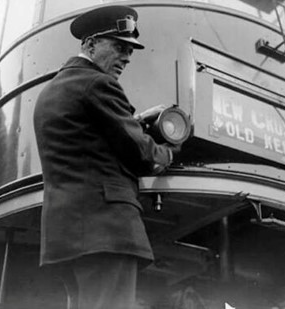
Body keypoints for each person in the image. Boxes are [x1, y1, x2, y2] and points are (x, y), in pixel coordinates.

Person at [33, 5, 179, 309]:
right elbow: (141, 155)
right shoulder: (99, 83)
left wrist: (133, 121)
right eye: (119, 47)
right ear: (90, 44)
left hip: (68, 237)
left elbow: (88, 138)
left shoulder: (52, 92)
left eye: (130, 50)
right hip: (107, 232)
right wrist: (168, 152)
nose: (127, 57)